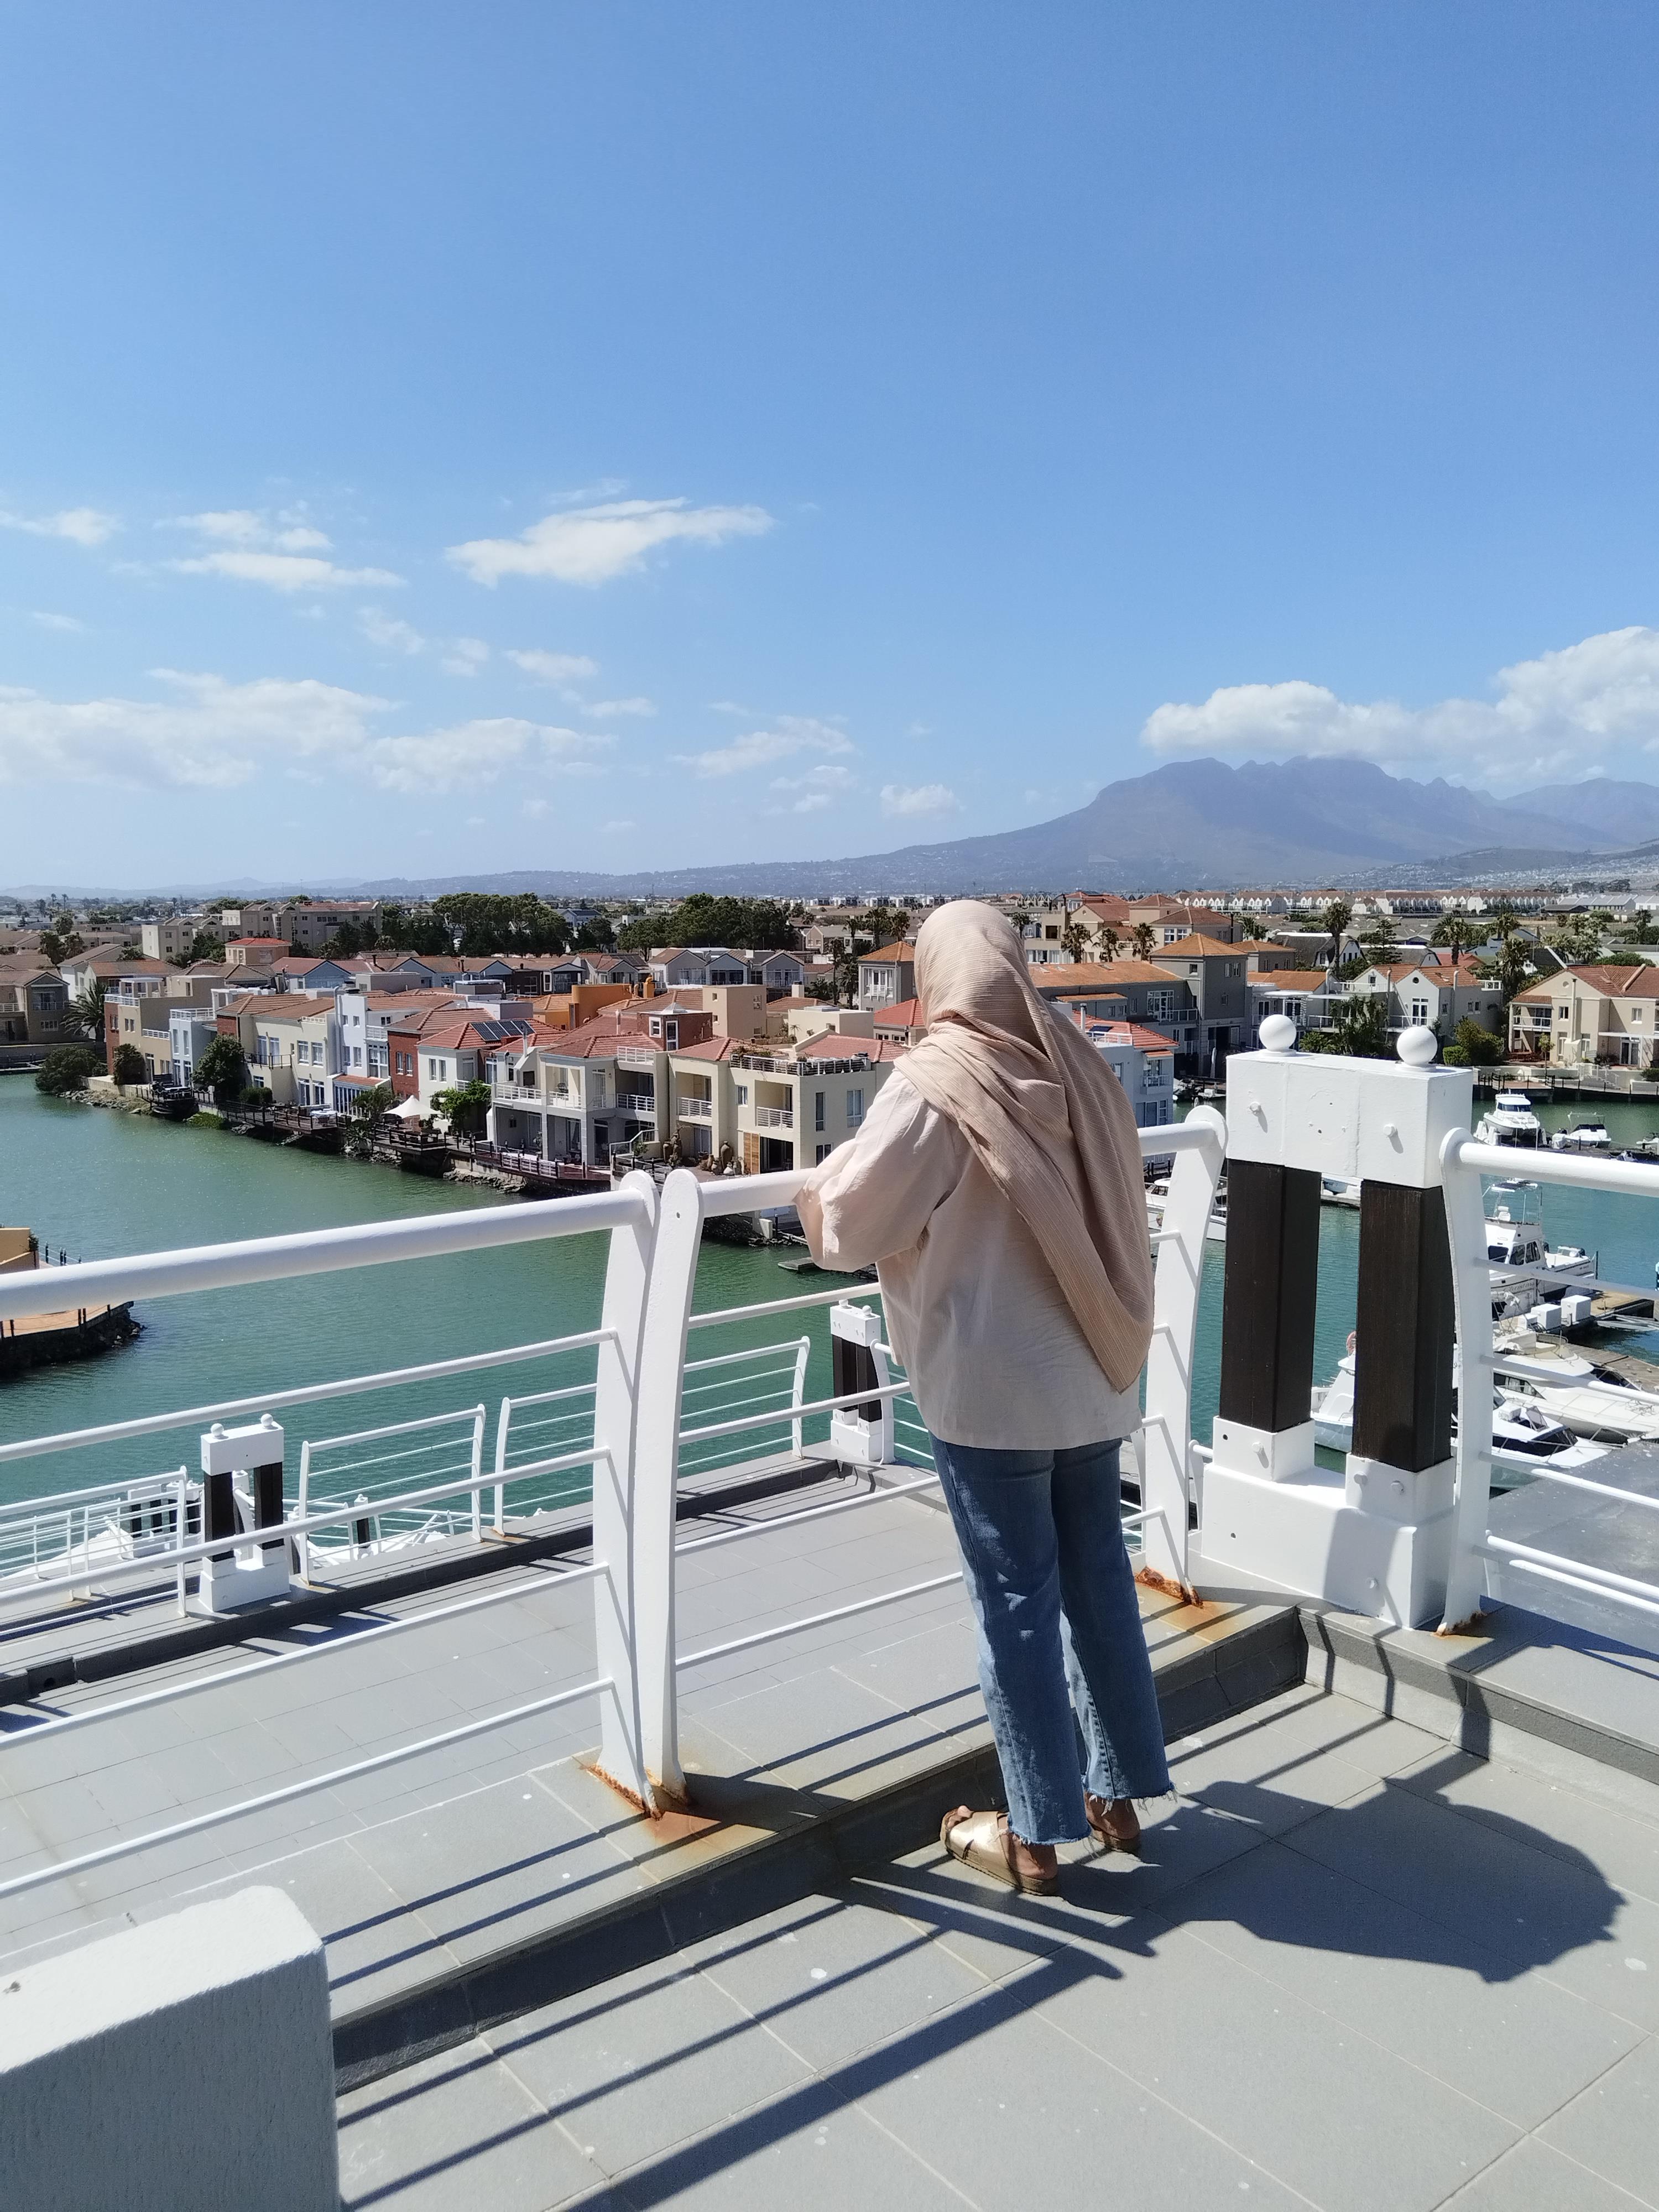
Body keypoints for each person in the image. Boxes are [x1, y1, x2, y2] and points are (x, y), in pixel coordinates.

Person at [797, 899, 1168, 1895]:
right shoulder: (1080, 1067)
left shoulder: (937, 1083)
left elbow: (851, 1225)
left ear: (936, 977)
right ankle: (1116, 1794)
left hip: (994, 1394)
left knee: (1015, 1603)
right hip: (1094, 1369)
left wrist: (822, 1182)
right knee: (1099, 1582)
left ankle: (1035, 1834)